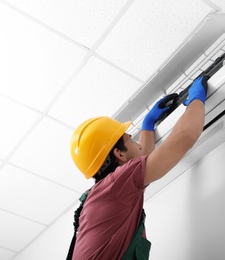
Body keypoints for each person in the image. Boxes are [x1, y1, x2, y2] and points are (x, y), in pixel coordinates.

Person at [67, 75, 209, 259]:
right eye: (131, 139)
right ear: (119, 154)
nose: (139, 144)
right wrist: (197, 97)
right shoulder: (115, 186)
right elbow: (185, 138)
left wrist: (148, 126)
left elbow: (147, 162)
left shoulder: (107, 193)